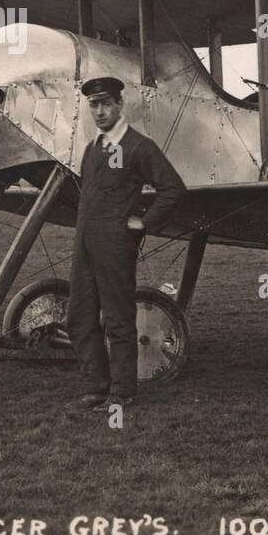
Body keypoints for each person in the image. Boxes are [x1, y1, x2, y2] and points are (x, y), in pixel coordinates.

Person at [67, 76, 185, 412]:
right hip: (85, 246)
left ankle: (121, 392)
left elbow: (173, 189)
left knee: (117, 318)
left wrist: (144, 223)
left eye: (106, 103)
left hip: (116, 246)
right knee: (79, 317)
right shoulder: (92, 149)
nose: (100, 111)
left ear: (120, 104)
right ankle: (96, 387)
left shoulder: (138, 147)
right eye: (94, 104)